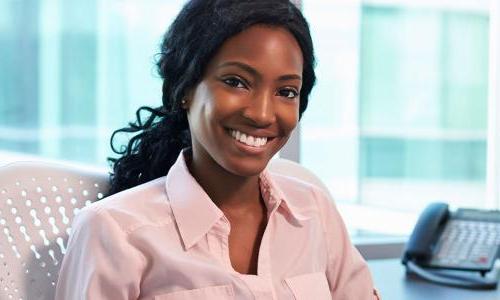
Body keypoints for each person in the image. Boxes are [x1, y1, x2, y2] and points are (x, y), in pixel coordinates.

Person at [55, 0, 379, 299]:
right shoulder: (115, 231)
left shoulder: (313, 210)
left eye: (286, 91)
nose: (263, 114)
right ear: (185, 90)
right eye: (236, 82)